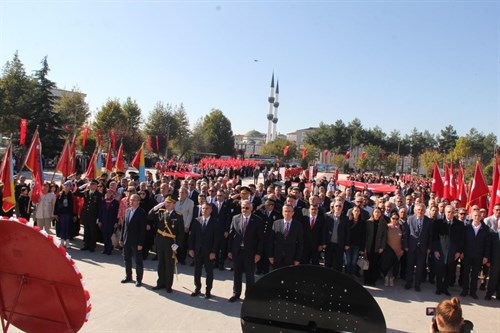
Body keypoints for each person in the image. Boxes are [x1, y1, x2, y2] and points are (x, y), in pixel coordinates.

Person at [227, 199, 264, 302]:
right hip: (237, 251)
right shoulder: (235, 218)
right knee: (236, 274)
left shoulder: (257, 220)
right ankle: (236, 293)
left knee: (249, 276)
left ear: (251, 209)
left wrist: (258, 253)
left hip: (250, 253)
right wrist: (229, 250)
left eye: (247, 208)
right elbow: (231, 235)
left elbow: (261, 239)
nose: (244, 209)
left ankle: (249, 295)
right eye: (243, 207)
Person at [149, 196, 184, 293]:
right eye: (166, 202)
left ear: (173, 204)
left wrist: (177, 245)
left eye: (169, 203)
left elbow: (181, 233)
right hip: (160, 240)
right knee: (161, 263)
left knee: (169, 264)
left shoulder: (178, 216)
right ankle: (160, 283)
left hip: (170, 242)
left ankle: (168, 285)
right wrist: (156, 207)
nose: (166, 204)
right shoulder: (161, 212)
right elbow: (149, 216)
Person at [188, 203, 220, 299]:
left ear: (210, 210)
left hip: (209, 252)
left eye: (206, 208)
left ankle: (208, 290)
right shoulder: (196, 221)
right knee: (197, 271)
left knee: (209, 272)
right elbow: (192, 236)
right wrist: (191, 249)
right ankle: (197, 288)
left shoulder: (215, 222)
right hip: (198, 251)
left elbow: (216, 239)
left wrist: (214, 252)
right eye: (203, 208)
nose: (204, 210)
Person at [433, 205, 464, 296]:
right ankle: (439, 288)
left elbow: (462, 239)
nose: (450, 214)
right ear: (445, 212)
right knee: (439, 272)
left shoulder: (459, 224)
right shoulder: (438, 223)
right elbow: (435, 238)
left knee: (450, 272)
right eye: (448, 212)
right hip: (441, 252)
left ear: (454, 213)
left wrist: (459, 251)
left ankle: (445, 288)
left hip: (453, 253)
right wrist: (435, 250)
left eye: (452, 212)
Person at [460, 210, 490, 299]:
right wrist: (461, 252)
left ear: (481, 217)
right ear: (472, 216)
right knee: (465, 273)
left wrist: (486, 256)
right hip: (467, 255)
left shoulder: (485, 229)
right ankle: (465, 290)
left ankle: (473, 292)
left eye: (478, 216)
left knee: (475, 274)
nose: (477, 217)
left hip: (478, 255)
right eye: (475, 215)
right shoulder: (467, 227)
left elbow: (487, 244)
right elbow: (462, 241)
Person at [404, 203, 433, 292]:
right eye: (418, 210)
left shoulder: (429, 221)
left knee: (420, 268)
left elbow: (430, 236)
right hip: (411, 247)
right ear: (415, 210)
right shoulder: (410, 219)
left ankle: (417, 285)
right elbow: (406, 234)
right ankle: (408, 283)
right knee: (410, 266)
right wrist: (406, 245)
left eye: (422, 210)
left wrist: (429, 247)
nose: (420, 211)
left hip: (422, 249)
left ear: (425, 211)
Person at [119, 194, 147, 287]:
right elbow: (124, 226)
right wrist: (121, 238)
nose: (131, 201)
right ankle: (128, 276)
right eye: (130, 200)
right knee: (126, 259)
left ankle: (139, 279)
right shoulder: (127, 211)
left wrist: (140, 243)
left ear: (138, 201)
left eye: (133, 200)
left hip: (136, 241)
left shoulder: (142, 212)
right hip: (127, 240)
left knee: (138, 261)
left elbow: (142, 230)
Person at [268, 204, 303, 269]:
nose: (287, 213)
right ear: (282, 212)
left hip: (291, 257)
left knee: (289, 277)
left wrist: (297, 259)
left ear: (293, 213)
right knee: (277, 277)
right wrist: (270, 256)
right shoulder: (276, 223)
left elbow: (300, 243)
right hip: (277, 256)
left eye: (289, 211)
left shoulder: (298, 225)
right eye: (285, 211)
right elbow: (271, 241)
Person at [75, 179, 102, 252]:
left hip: (93, 216)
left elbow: (100, 207)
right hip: (86, 215)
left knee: (93, 231)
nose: (92, 186)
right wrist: (83, 186)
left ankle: (92, 246)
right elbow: (76, 193)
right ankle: (86, 245)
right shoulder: (86, 192)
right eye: (91, 184)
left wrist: (98, 218)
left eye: (93, 184)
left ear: (96, 186)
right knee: (86, 230)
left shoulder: (99, 194)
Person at [324, 199, 350, 271]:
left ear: (342, 207)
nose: (338, 207)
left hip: (339, 244)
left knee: (338, 263)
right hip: (329, 244)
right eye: (336, 206)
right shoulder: (328, 217)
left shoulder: (345, 218)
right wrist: (323, 243)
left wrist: (347, 244)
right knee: (328, 262)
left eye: (340, 206)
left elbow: (347, 232)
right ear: (333, 207)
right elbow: (324, 231)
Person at [98, 189, 119, 255]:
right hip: (104, 221)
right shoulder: (103, 201)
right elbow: (100, 212)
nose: (109, 194)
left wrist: (116, 222)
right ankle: (105, 249)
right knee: (104, 235)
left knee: (109, 235)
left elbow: (117, 213)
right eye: (108, 193)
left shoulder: (115, 202)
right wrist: (99, 220)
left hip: (111, 221)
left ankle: (109, 249)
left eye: (110, 193)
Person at [53, 182, 74, 248]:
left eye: (68, 186)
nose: (67, 187)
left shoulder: (71, 195)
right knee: (62, 227)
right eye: (66, 185)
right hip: (61, 213)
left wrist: (74, 215)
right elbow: (56, 205)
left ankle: (67, 241)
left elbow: (73, 206)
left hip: (68, 213)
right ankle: (62, 241)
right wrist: (55, 214)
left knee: (67, 227)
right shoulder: (59, 195)